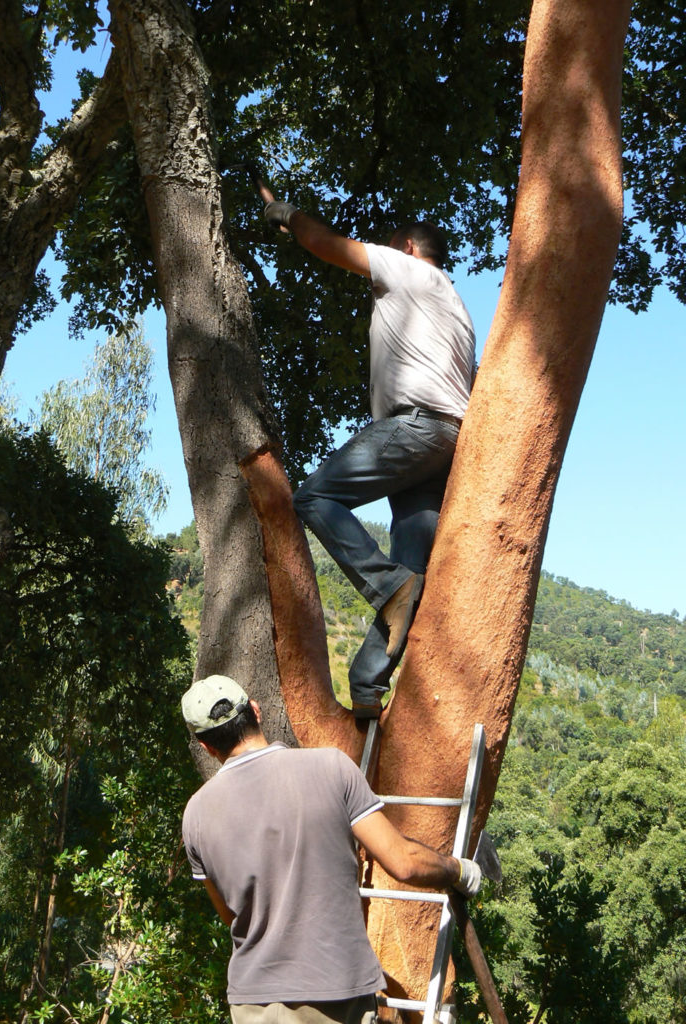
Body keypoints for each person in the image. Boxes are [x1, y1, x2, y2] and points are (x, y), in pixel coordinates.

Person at [263, 198, 476, 718]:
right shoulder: (459, 311)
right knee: (412, 569)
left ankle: (388, 588)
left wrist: (285, 213)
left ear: (405, 247)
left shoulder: (407, 270)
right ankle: (366, 685)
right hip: (445, 444)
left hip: (415, 428)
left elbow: (324, 244)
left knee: (316, 495)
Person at [181, 674, 482, 1024]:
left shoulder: (196, 815)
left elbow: (231, 917)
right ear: (255, 711)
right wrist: (457, 870)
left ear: (207, 746)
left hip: (253, 1003)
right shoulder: (330, 767)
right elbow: (404, 863)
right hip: (332, 997)